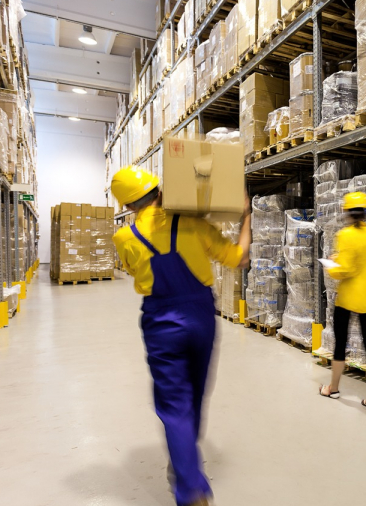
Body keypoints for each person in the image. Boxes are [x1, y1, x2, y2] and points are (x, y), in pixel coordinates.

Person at [110, 166, 251, 506]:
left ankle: (191, 491)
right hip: (201, 316)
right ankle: (185, 465)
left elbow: (131, 270)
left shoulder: (124, 238)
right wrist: (246, 215)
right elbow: (237, 257)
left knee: (174, 405)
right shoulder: (192, 223)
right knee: (196, 396)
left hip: (161, 322)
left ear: (128, 207)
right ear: (160, 192)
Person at [319, 191, 366, 410]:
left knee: (340, 343)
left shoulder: (346, 235)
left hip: (347, 298)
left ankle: (333, 388)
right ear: (365, 212)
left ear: (347, 212)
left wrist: (332, 264)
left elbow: (345, 270)